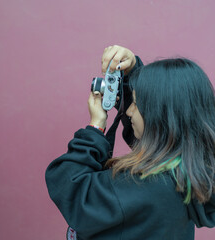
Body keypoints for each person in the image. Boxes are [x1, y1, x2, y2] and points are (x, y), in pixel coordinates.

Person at [45, 45, 215, 240]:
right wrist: (132, 72)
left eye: (135, 104)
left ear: (159, 117)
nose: (128, 111)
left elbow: (71, 187)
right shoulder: (186, 173)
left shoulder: (144, 185)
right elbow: (151, 138)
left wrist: (95, 127)